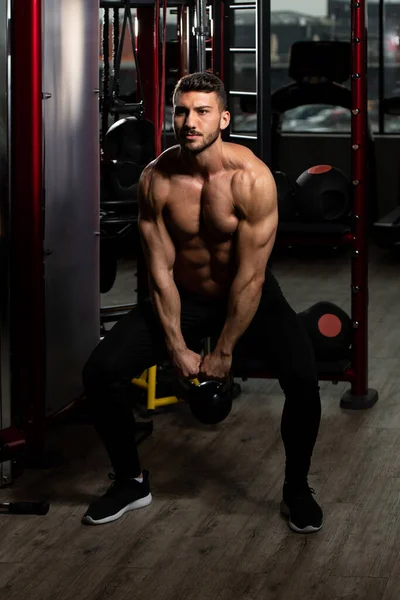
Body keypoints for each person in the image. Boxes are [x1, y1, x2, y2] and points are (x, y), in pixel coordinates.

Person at [82, 72, 323, 533]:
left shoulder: (251, 180)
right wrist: (175, 344)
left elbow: (251, 278)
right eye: (182, 111)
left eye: (202, 111)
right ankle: (131, 481)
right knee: (101, 371)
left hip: (247, 295)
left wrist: (224, 350)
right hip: (186, 295)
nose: (189, 122)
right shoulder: (156, 179)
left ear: (224, 118)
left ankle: (297, 490)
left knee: (302, 376)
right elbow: (158, 273)